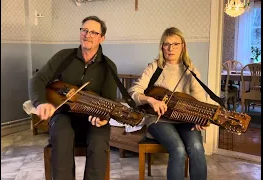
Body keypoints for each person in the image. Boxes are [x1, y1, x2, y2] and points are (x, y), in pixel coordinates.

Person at [28, 16, 117, 180]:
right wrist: (40, 103)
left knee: (98, 141)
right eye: (84, 30)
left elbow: (110, 102)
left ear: (101, 38)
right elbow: (38, 80)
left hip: (93, 118)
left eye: (93, 32)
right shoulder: (64, 56)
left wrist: (104, 117)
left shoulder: (109, 66)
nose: (87, 35)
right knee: (62, 133)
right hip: (64, 115)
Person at [128, 27, 208, 180]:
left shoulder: (191, 70)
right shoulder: (154, 67)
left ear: (183, 46)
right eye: (167, 44)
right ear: (162, 46)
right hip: (159, 120)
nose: (171, 49)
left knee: (197, 147)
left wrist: (201, 118)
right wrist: (150, 100)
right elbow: (133, 92)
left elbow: (200, 101)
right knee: (178, 149)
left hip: (185, 120)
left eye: (175, 44)